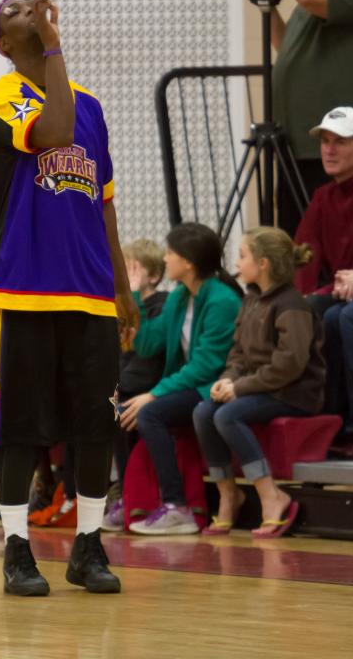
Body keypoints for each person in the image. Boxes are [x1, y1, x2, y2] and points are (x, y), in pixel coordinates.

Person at [0, 0, 138, 596]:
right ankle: (17, 551)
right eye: (15, 9)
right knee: (20, 427)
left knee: (96, 426)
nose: (30, 6)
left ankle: (88, 548)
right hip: (21, 288)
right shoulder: (3, 97)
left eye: (32, 3)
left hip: (90, 291)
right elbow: (54, 129)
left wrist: (122, 287)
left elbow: (106, 205)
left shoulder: (92, 106)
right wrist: (52, 45)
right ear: (6, 41)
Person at [193, 227, 325, 539]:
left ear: (263, 263)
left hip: (294, 391)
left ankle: (271, 495)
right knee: (203, 411)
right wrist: (226, 380)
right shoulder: (251, 299)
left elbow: (289, 365)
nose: (236, 262)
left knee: (227, 414)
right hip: (261, 386)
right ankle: (228, 494)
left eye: (242, 255)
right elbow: (238, 354)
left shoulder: (292, 304)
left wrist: (239, 388)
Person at [118, 223, 243, 536]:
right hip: (189, 384)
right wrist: (133, 297)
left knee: (149, 412)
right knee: (121, 413)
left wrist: (155, 393)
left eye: (170, 253)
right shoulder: (178, 298)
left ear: (188, 262)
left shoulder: (222, 300)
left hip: (213, 386)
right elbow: (146, 344)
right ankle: (130, 498)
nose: (165, 259)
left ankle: (177, 506)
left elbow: (206, 366)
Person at [246, 0, 353, 235]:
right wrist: (267, 4)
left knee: (319, 236)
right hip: (295, 142)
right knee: (293, 233)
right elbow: (287, 45)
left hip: (331, 145)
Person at [294, 106, 353, 420]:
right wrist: (297, 295)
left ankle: (348, 420)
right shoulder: (323, 197)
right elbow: (304, 254)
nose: (329, 150)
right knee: (304, 310)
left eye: (340, 142)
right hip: (340, 292)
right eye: (325, 141)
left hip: (350, 295)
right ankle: (328, 420)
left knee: (342, 317)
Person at [101, 239, 168, 532]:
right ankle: (109, 491)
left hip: (148, 383)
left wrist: (134, 295)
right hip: (126, 384)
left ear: (152, 275)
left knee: (119, 413)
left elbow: (147, 354)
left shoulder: (162, 304)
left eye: (134, 269)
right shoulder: (120, 307)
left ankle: (133, 495)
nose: (127, 276)